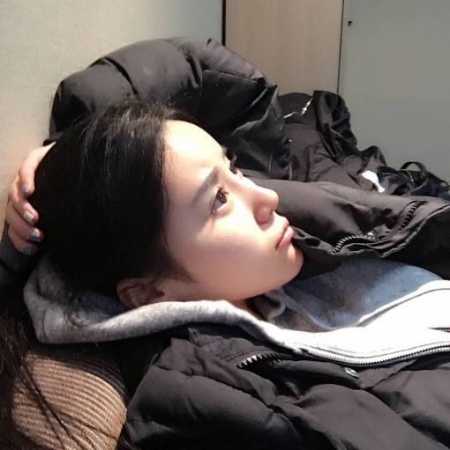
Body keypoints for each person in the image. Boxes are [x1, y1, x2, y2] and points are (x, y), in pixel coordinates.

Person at [3, 98, 450, 449]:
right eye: (218, 199)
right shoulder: (223, 408)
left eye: (232, 166)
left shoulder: (263, 264)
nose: (266, 198)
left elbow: (232, 82)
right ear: (148, 294)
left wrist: (59, 150)